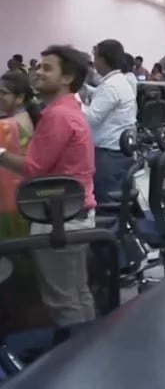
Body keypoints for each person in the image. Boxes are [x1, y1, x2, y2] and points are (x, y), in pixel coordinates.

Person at [0, 45, 97, 326]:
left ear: (67, 78)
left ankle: (75, 361)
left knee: (62, 301)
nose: (37, 72)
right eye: (38, 66)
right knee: (77, 292)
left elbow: (32, 168)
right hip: (75, 212)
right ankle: (89, 348)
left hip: (61, 218)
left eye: (47, 68)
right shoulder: (67, 109)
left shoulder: (57, 116)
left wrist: (2, 154)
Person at [84, 39, 136, 204]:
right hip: (119, 150)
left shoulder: (110, 86)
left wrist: (74, 100)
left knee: (107, 199)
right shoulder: (118, 80)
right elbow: (104, 97)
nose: (94, 63)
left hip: (108, 154)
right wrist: (88, 90)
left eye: (96, 57)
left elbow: (91, 118)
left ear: (103, 59)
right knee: (118, 195)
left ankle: (110, 229)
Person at [0, 72, 34, 239]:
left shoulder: (7, 126)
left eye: (4, 93)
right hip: (24, 195)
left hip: (8, 199)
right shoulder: (26, 117)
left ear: (20, 97)